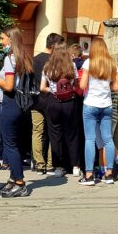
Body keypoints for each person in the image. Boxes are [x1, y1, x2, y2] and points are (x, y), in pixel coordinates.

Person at [0, 26, 33, 198]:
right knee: (14, 144)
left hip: (10, 103)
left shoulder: (9, 59)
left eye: (2, 38)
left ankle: (19, 183)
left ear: (11, 39)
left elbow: (9, 86)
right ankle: (13, 180)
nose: (0, 42)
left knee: (9, 144)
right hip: (20, 105)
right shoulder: (23, 57)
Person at [78, 39, 118, 186]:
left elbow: (82, 85)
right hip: (106, 105)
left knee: (90, 139)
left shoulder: (88, 63)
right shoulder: (112, 63)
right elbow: (116, 87)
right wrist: (105, 86)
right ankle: (109, 174)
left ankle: (89, 175)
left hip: (90, 104)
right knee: (108, 139)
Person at [41, 44, 80, 177]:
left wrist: (53, 90)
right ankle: (75, 166)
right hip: (70, 102)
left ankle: (58, 167)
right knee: (72, 134)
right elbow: (76, 85)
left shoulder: (47, 67)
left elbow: (42, 87)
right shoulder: (72, 66)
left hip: (53, 102)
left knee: (55, 134)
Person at [30, 33, 62, 174]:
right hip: (51, 99)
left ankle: (39, 164)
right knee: (52, 132)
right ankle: (50, 164)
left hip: (35, 100)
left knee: (37, 132)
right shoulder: (55, 61)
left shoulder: (34, 60)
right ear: (54, 46)